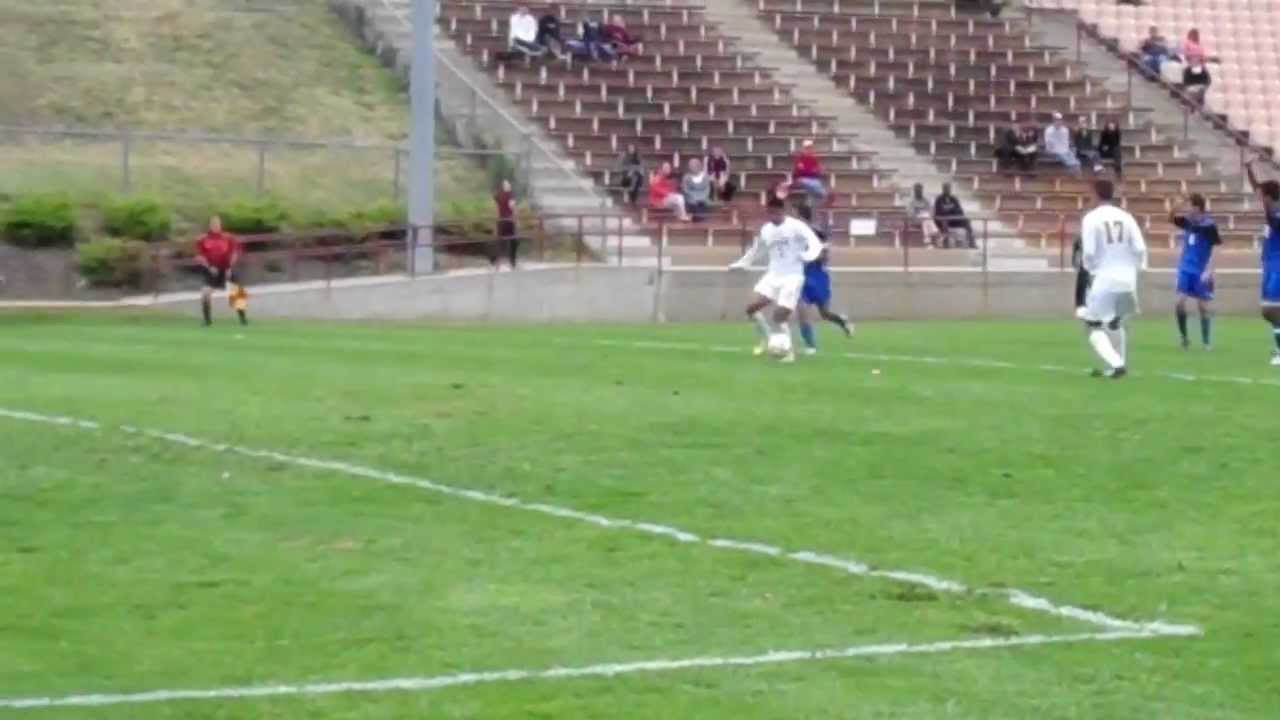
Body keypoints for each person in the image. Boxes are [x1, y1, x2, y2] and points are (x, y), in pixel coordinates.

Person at [728, 196, 824, 363]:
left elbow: (814, 242)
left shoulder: (796, 226)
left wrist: (808, 255)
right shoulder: (766, 230)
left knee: (779, 316)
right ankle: (768, 338)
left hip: (792, 277)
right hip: (773, 275)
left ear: (783, 211)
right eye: (771, 213)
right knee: (751, 308)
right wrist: (741, 263)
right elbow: (756, 250)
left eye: (777, 212)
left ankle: (789, 353)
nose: (774, 216)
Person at [1078, 179, 1148, 378]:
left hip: (1105, 278)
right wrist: (1135, 268)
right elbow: (1140, 248)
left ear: (1095, 194)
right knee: (1115, 323)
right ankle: (1119, 364)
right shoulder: (1126, 217)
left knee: (1093, 325)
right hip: (1128, 280)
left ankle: (1117, 364)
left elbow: (1089, 253)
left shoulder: (1091, 218)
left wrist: (1090, 270)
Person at [795, 205, 853, 354]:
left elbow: (825, 256)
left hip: (818, 277)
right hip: (802, 277)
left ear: (803, 218)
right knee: (801, 310)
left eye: (797, 217)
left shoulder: (817, 233)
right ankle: (810, 346)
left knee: (825, 313)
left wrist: (809, 255)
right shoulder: (794, 234)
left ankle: (842, 321)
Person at [1170, 194, 1221, 350]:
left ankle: (1206, 342)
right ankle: (1184, 338)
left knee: (1203, 307)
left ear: (1198, 207)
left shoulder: (1209, 225)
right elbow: (1171, 218)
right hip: (1185, 268)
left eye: (1190, 206)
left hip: (1201, 270)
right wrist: (1175, 206)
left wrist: (1209, 269)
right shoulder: (1188, 223)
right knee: (1179, 303)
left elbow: (1217, 247)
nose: (1187, 209)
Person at [1244, 156, 1280, 365]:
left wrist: (1265, 206)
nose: (1258, 198)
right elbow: (1257, 187)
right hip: (1269, 265)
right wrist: (1250, 168)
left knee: (1270, 310)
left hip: (1277, 265)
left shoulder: (1276, 214)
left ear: (1268, 197)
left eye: (1262, 197)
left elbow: (1271, 221)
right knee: (1269, 312)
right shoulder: (1271, 208)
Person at [195, 215, 247, 327]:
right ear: (210, 226)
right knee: (205, 293)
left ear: (220, 225)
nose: (215, 226)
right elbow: (200, 256)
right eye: (213, 224)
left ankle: (243, 319)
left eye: (217, 224)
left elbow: (235, 253)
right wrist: (209, 267)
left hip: (226, 268)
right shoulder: (203, 239)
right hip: (212, 270)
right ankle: (207, 320)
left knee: (237, 292)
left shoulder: (228, 238)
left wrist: (230, 267)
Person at [933, 183, 975, 248]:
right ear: (943, 189)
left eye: (948, 188)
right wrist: (951, 211)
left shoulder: (954, 199)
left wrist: (949, 211)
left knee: (967, 221)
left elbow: (960, 210)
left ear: (950, 189)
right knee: (944, 221)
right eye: (945, 188)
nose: (947, 190)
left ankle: (972, 241)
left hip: (954, 219)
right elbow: (938, 211)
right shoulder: (939, 199)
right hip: (943, 220)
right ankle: (946, 242)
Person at [791, 140, 828, 206]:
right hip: (801, 179)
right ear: (804, 149)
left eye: (810, 148)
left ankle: (809, 203)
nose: (809, 150)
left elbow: (817, 171)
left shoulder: (813, 159)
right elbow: (800, 172)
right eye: (807, 148)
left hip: (812, 179)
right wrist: (811, 171)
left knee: (814, 185)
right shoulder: (800, 159)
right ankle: (823, 195)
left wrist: (814, 171)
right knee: (814, 184)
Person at [493, 180, 519, 269]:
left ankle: (498, 263)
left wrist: (496, 219)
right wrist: (516, 219)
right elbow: (512, 206)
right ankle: (512, 262)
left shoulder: (498, 195)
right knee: (513, 241)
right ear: (506, 186)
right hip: (509, 221)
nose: (510, 186)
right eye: (509, 185)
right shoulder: (510, 195)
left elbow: (496, 207)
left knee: (499, 242)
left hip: (501, 221)